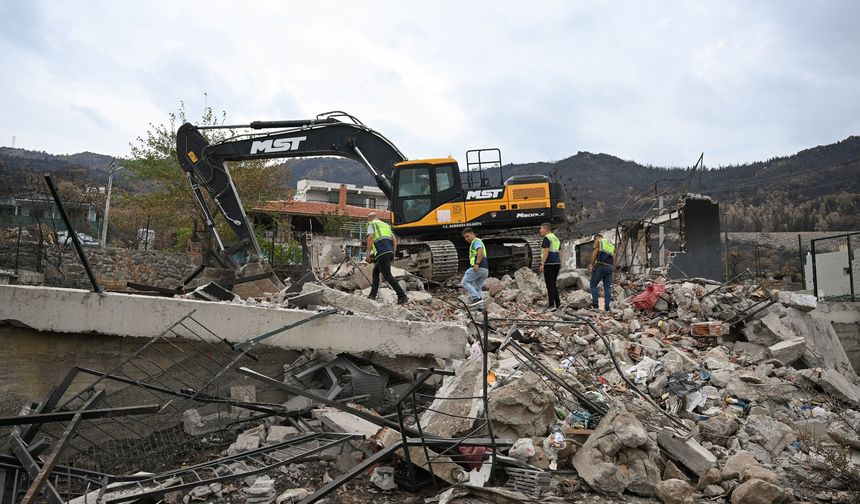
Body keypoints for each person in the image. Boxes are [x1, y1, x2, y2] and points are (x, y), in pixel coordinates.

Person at [366, 212, 408, 305]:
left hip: (381, 253)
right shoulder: (385, 225)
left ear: (369, 218)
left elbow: (371, 237)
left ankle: (402, 296)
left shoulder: (371, 224)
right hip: (388, 252)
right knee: (376, 272)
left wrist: (368, 253)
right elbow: (394, 240)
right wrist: (393, 253)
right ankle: (372, 295)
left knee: (388, 275)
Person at [461, 227, 488, 307]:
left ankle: (476, 298)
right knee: (478, 288)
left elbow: (480, 251)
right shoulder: (477, 242)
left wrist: (477, 263)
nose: (466, 239)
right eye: (465, 237)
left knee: (464, 282)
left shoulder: (476, 241)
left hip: (478, 267)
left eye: (467, 236)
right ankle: (480, 307)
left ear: (472, 234)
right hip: (485, 269)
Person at [589, 232, 615, 311]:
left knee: (593, 285)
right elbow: (614, 257)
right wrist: (613, 268)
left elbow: (595, 253)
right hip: (610, 267)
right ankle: (607, 307)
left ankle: (595, 305)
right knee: (607, 288)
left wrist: (592, 265)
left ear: (596, 237)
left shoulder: (598, 241)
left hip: (601, 266)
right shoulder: (610, 244)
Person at [539, 223, 561, 311]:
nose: (540, 231)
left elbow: (546, 251)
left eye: (541, 229)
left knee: (549, 285)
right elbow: (559, 251)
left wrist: (542, 264)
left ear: (545, 229)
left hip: (549, 264)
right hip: (556, 263)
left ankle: (551, 305)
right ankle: (558, 303)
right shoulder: (555, 238)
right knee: (553, 284)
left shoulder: (547, 238)